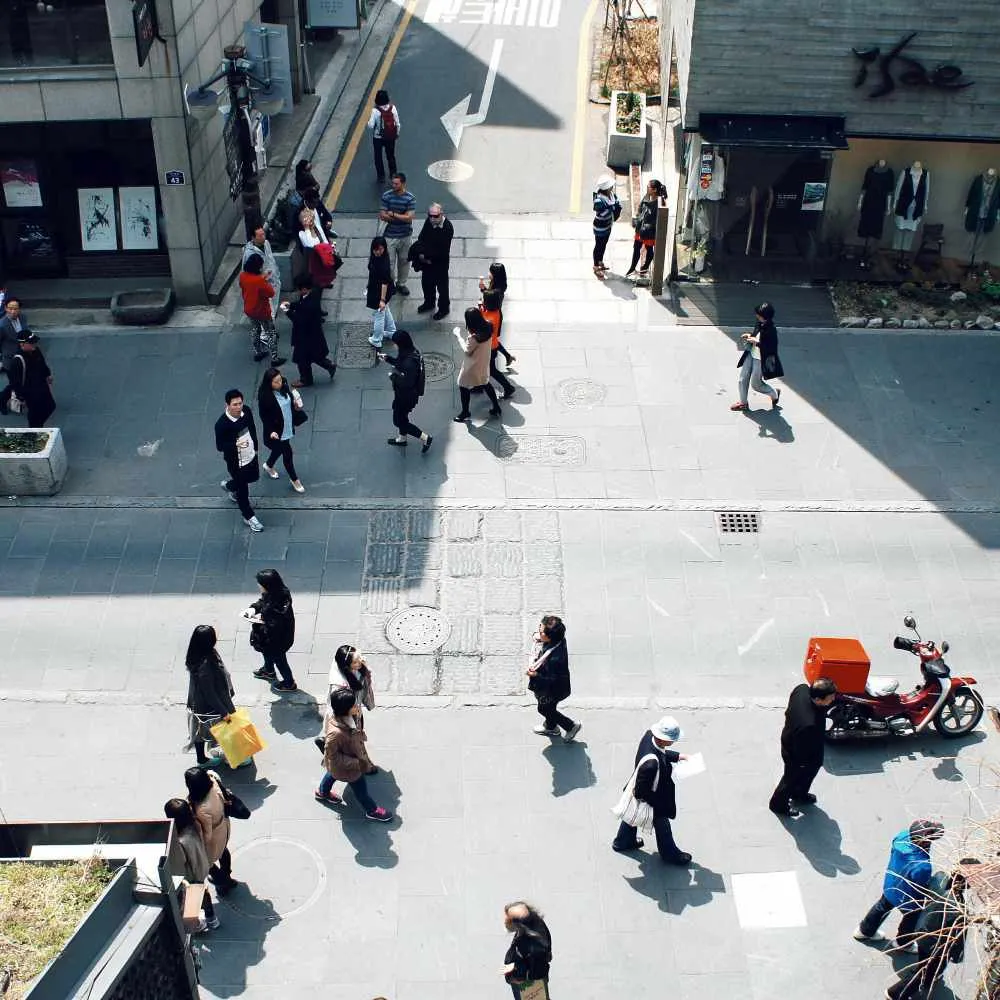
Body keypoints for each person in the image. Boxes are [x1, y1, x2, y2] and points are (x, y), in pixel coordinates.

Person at [612, 716, 692, 865]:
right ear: (662, 739)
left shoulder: (649, 736)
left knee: (632, 813)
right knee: (663, 826)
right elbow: (641, 793)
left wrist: (678, 756)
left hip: (639, 786)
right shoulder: (651, 765)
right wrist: (659, 805)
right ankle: (670, 854)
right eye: (671, 740)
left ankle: (623, 841)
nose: (673, 742)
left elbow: (660, 752)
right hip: (652, 797)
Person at [886, 863, 974, 1000]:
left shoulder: (940, 877)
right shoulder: (959, 908)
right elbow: (957, 938)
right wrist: (957, 956)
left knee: (924, 963)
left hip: (922, 928)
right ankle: (896, 993)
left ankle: (929, 979)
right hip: (935, 943)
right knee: (925, 970)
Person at [854, 819, 945, 946]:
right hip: (907, 896)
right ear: (924, 841)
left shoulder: (902, 836)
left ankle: (864, 931)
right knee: (912, 917)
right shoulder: (922, 865)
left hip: (892, 882)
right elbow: (921, 886)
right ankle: (903, 942)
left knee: (882, 906)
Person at [319, 686, 392, 821]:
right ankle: (372, 811)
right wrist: (357, 763)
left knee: (331, 774)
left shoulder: (346, 717)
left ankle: (322, 792)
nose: (357, 706)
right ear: (345, 709)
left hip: (339, 767)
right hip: (350, 769)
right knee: (361, 792)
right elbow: (332, 756)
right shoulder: (336, 734)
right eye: (353, 705)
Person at [769, 676, 837, 817]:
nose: (833, 700)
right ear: (818, 699)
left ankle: (799, 793)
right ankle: (778, 804)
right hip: (798, 753)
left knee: (807, 774)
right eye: (830, 698)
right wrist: (803, 764)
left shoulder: (801, 689)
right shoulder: (809, 724)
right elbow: (801, 750)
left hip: (791, 735)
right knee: (791, 778)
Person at [164, 797, 220, 932]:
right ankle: (212, 919)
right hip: (202, 865)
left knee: (192, 900)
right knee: (204, 893)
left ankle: (199, 924)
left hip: (192, 874)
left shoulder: (180, 841)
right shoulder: (195, 826)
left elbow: (181, 861)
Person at [184, 625, 236, 769]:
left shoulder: (196, 654)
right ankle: (229, 757)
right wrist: (224, 712)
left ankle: (202, 759)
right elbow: (210, 694)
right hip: (208, 707)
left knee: (199, 732)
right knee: (222, 729)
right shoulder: (206, 665)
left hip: (196, 702)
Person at [214, 389, 264, 532]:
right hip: (236, 462)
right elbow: (220, 446)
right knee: (243, 490)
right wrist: (235, 444)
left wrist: (255, 447)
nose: (238, 407)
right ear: (227, 405)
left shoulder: (246, 411)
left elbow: (252, 428)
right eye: (234, 404)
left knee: (253, 477)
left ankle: (230, 486)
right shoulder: (221, 424)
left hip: (250, 454)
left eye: (240, 403)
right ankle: (249, 517)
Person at [184, 766, 238, 896]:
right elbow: (212, 773)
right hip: (223, 826)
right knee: (224, 850)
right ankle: (227, 874)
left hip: (214, 835)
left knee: (208, 863)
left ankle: (223, 882)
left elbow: (207, 835)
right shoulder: (214, 783)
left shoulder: (202, 809)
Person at [527, 615, 580, 742]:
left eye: (541, 632)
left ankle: (571, 726)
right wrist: (541, 637)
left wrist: (535, 675)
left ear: (549, 636)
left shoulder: (555, 659)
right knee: (549, 707)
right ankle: (551, 727)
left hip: (555, 690)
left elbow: (551, 680)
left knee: (544, 708)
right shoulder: (558, 640)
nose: (539, 632)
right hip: (553, 686)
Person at [380, 329, 432, 452]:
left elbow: (407, 383)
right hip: (406, 395)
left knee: (398, 421)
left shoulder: (409, 362)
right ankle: (402, 438)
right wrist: (388, 359)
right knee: (402, 417)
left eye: (395, 343)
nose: (394, 345)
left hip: (406, 397)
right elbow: (400, 364)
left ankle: (425, 438)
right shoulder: (410, 352)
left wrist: (392, 377)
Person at [247, 567, 297, 692]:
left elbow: (273, 629)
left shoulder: (275, 607)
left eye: (260, 583)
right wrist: (254, 608)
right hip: (274, 639)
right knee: (267, 654)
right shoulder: (279, 593)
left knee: (280, 662)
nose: (258, 585)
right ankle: (268, 670)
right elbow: (263, 601)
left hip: (276, 641)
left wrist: (258, 622)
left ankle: (289, 683)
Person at [256, 367, 306, 493]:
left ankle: (268, 465)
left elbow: (289, 400)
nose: (280, 383)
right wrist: (271, 431)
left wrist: (295, 405)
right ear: (269, 383)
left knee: (279, 449)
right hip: (276, 431)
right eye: (276, 381)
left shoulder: (284, 384)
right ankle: (294, 479)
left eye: (280, 379)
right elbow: (264, 416)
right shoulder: (264, 397)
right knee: (287, 453)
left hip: (287, 424)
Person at [283, 275, 337, 387]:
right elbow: (300, 305)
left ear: (304, 289)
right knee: (315, 356)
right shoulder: (312, 295)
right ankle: (329, 366)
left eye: (298, 289)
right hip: (313, 335)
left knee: (302, 360)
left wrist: (287, 311)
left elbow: (299, 320)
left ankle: (306, 380)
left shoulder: (309, 304)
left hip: (305, 336)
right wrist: (292, 305)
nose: (297, 291)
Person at [731, 301, 782, 412]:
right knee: (742, 379)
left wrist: (757, 342)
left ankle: (774, 393)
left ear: (766, 316)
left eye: (759, 314)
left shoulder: (771, 330)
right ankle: (743, 403)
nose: (757, 316)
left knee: (756, 384)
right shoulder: (759, 323)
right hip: (751, 353)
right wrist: (750, 336)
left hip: (760, 359)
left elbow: (771, 348)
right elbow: (757, 335)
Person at [454, 307, 501, 422]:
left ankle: (465, 412)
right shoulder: (489, 326)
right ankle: (496, 407)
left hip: (472, 367)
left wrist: (458, 336)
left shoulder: (473, 338)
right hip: (483, 363)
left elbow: (467, 351)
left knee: (462, 385)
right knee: (485, 383)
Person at [502, 901, 552, 999]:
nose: (505, 920)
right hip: (525, 980)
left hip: (529, 981)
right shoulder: (525, 929)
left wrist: (515, 967)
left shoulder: (531, 929)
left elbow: (536, 953)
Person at [239, 255, 283, 365]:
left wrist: (262, 278)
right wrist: (265, 279)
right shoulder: (259, 281)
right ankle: (275, 358)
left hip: (249, 309)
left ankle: (258, 352)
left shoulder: (243, 276)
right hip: (262, 311)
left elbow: (249, 285)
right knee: (270, 333)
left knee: (255, 330)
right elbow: (271, 293)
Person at [8, 330, 55, 427]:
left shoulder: (36, 351)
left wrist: (48, 374)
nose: (34, 344)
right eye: (31, 342)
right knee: (34, 415)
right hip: (30, 393)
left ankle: (38, 426)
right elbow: (15, 382)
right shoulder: (17, 361)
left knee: (51, 406)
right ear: (22, 344)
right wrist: (21, 397)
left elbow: (42, 364)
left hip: (42, 386)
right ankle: (34, 429)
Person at [379, 172, 416, 295]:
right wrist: (402, 216)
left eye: (396, 184)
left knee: (404, 261)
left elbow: (409, 218)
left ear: (403, 184)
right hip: (389, 235)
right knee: (389, 263)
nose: (393, 186)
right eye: (393, 183)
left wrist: (393, 214)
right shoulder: (386, 196)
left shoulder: (410, 198)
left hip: (405, 235)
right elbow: (382, 216)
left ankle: (401, 284)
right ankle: (391, 283)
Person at [415, 202, 454, 320]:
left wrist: (427, 257)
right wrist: (421, 254)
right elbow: (421, 238)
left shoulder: (447, 227)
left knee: (442, 288)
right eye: (430, 215)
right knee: (426, 284)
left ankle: (444, 308)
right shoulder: (429, 222)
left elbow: (442, 250)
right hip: (427, 261)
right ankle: (429, 302)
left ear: (441, 214)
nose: (432, 219)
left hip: (440, 263)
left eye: (435, 216)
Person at [626, 178, 667, 277]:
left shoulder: (660, 203)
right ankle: (632, 267)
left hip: (649, 231)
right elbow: (640, 208)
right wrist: (638, 217)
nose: (647, 188)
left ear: (654, 190)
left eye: (648, 187)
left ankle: (645, 267)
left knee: (649, 249)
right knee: (636, 247)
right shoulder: (647, 196)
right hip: (640, 228)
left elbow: (660, 219)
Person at [242, 224, 280, 324]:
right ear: (253, 238)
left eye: (263, 234)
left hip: (273, 279)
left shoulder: (266, 243)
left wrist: (275, 272)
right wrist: (263, 277)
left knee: (274, 303)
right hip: (263, 283)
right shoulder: (249, 253)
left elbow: (271, 258)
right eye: (260, 235)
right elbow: (248, 272)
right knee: (267, 308)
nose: (263, 237)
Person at [481, 289, 515, 398]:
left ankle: (508, 387)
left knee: (492, 370)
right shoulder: (496, 312)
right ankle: (478, 386)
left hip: (489, 347)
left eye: (484, 299)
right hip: (493, 344)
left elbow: (482, 328)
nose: (482, 300)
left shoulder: (489, 319)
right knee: (485, 368)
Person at [479, 264, 515, 367]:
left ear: (495, 274)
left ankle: (497, 361)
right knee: (493, 339)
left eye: (490, 272)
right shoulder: (498, 284)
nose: (488, 274)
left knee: (492, 339)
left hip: (494, 317)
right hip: (494, 315)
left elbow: (490, 299)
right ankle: (508, 356)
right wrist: (484, 289)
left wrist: (483, 294)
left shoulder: (497, 290)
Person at [366, 235, 397, 349]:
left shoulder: (382, 263)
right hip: (378, 289)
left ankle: (376, 339)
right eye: (376, 249)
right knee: (385, 310)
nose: (378, 252)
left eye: (380, 249)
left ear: (384, 248)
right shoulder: (380, 258)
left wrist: (382, 300)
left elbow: (385, 282)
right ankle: (391, 331)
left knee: (379, 315)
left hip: (380, 293)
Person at [297, 206, 338, 290]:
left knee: (326, 271)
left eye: (312, 219)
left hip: (323, 254)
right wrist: (307, 229)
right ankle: (318, 286)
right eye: (309, 221)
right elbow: (310, 244)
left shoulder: (317, 227)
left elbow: (324, 240)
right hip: (314, 258)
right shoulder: (302, 234)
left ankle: (326, 283)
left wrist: (329, 249)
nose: (311, 222)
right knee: (317, 275)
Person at [367, 89, 400, 184]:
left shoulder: (375, 111)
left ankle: (381, 176)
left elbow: (370, 125)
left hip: (378, 137)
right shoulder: (393, 108)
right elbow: (397, 123)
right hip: (390, 136)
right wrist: (396, 133)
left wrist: (369, 121)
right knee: (391, 156)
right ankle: (393, 173)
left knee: (378, 157)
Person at [0, 296, 26, 414]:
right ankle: (2, 400)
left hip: (23, 356)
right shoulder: (2, 325)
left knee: (21, 380)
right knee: (14, 383)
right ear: (5, 308)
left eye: (15, 309)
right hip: (10, 359)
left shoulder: (23, 318)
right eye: (10, 308)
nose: (13, 311)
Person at [592, 174, 621, 278]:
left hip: (608, 226)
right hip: (600, 227)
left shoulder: (611, 195)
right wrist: (612, 208)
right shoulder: (599, 200)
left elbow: (616, 204)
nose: (612, 187)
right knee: (598, 246)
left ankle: (600, 261)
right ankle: (596, 266)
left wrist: (615, 207)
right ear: (606, 188)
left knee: (603, 245)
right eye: (610, 186)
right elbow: (602, 213)